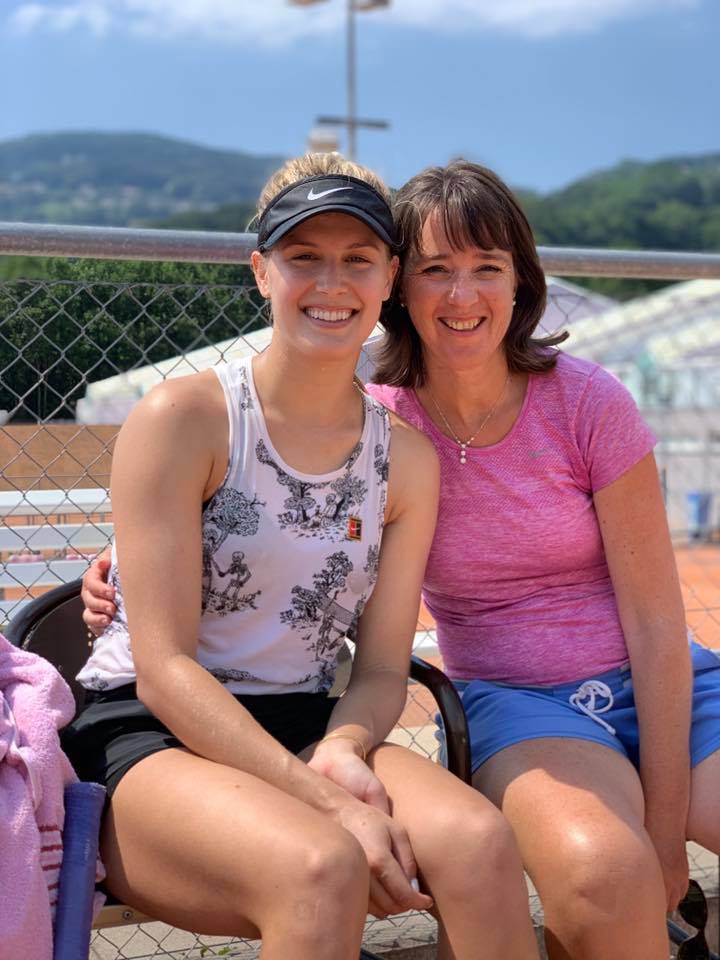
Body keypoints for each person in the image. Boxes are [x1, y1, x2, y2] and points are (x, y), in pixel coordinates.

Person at [67, 154, 540, 960]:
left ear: (390, 277)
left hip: (306, 722)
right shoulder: (184, 417)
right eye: (303, 258)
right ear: (261, 271)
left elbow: (385, 668)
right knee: (322, 867)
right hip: (151, 735)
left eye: (358, 259)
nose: (332, 282)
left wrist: (343, 752)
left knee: (478, 843)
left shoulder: (406, 462)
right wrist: (336, 806)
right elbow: (165, 672)